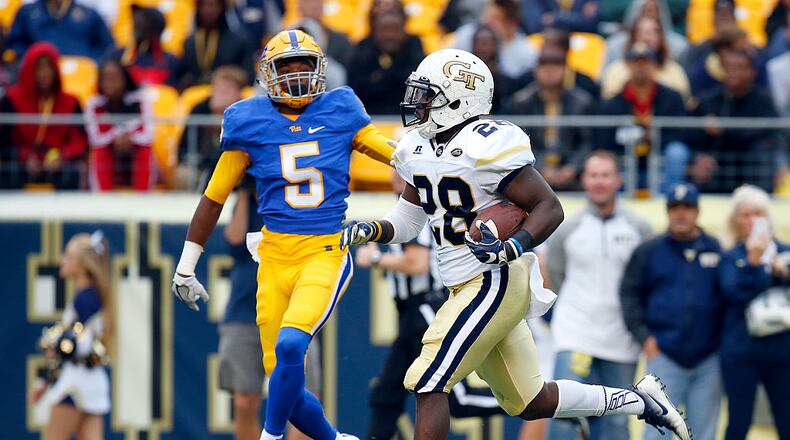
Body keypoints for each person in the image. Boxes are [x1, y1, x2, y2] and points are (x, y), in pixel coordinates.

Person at [341, 48, 691, 440]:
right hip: (464, 283)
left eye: (429, 95)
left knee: (427, 380)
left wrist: (514, 245)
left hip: (493, 279)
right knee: (530, 401)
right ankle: (641, 401)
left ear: (457, 99)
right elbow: (408, 220)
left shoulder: (487, 144)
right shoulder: (416, 149)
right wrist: (373, 229)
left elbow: (549, 206)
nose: (418, 104)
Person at [170, 30, 395, 440]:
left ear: (319, 69)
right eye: (285, 67)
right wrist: (185, 266)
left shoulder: (340, 107)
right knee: (285, 385)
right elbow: (213, 198)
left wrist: (441, 159)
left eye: (302, 66)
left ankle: (270, 436)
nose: (294, 76)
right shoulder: (248, 120)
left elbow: (391, 152)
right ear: (266, 74)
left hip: (325, 250)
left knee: (292, 348)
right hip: (272, 256)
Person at [361, 171, 503, 439]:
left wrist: (378, 257)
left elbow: (418, 263)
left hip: (426, 308)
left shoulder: (421, 214)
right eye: (393, 171)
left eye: (401, 172)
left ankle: (527, 403)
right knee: (385, 395)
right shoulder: (402, 212)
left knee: (457, 401)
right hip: (410, 314)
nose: (395, 177)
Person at [545, 150, 653, 440]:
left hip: (621, 339)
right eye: (593, 175)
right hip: (574, 333)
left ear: (618, 180)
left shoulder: (640, 229)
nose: (599, 182)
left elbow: (646, 281)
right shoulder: (566, 229)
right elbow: (555, 275)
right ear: (584, 180)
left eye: (606, 175)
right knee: (562, 412)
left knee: (617, 421)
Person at [620, 183, 724, 440]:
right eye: (674, 208)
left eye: (687, 207)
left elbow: (727, 297)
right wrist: (645, 338)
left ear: (697, 212)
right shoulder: (649, 251)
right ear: (667, 212)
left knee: (704, 433)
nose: (680, 214)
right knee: (658, 433)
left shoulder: (715, 248)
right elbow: (629, 294)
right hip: (664, 355)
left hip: (708, 359)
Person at [718, 184, 790, 440]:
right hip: (741, 352)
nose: (753, 221)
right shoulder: (730, 256)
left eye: (758, 213)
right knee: (739, 423)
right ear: (736, 221)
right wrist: (754, 264)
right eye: (746, 215)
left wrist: (783, 272)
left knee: (786, 421)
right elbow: (734, 293)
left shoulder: (784, 252)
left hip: (782, 350)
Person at [30, 231, 112, 440]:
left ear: (83, 264)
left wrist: (54, 344)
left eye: (68, 256)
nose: (61, 261)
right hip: (92, 381)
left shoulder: (85, 300)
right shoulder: (91, 296)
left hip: (75, 383)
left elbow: (75, 346)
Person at [691, 49, 787, 193]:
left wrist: (724, 129)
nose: (733, 72)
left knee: (761, 152)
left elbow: (773, 135)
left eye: (739, 67)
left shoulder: (763, 101)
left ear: (751, 72)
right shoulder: (708, 100)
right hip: (718, 167)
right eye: (728, 67)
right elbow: (688, 134)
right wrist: (697, 156)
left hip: (753, 167)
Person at [596, 43, 689, 192]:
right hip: (626, 162)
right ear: (628, 65)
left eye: (645, 62)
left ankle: (669, 197)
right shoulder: (613, 103)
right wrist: (633, 137)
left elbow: (681, 133)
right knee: (608, 160)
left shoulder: (672, 97)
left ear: (655, 65)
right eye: (636, 62)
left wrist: (656, 137)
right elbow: (606, 140)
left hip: (661, 160)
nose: (640, 67)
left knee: (677, 151)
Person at [1, 42, 87, 189]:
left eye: (49, 67)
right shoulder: (11, 100)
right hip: (21, 165)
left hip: (57, 166)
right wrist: (24, 157)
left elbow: (80, 141)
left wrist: (63, 155)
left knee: (71, 175)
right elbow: (3, 143)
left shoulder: (71, 101)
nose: (45, 73)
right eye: (39, 68)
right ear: (29, 70)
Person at [505, 48, 594, 191]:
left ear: (566, 70)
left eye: (556, 66)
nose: (550, 72)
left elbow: (587, 142)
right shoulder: (521, 102)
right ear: (535, 70)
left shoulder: (582, 101)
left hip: (573, 174)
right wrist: (540, 167)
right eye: (544, 66)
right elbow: (517, 143)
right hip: (531, 172)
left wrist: (572, 168)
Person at [84, 59, 154, 191]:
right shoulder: (94, 104)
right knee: (99, 152)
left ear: (125, 79)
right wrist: (115, 137)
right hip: (110, 155)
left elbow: (148, 136)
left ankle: (145, 198)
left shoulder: (140, 100)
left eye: (115, 78)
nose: (109, 83)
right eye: (105, 78)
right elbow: (95, 139)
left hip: (133, 153)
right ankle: (102, 198)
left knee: (145, 150)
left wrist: (129, 138)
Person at [176, 65, 247, 191]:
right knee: (183, 175)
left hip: (237, 165)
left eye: (225, 91)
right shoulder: (199, 109)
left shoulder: (246, 111)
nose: (218, 95)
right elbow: (183, 147)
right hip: (201, 164)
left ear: (238, 93)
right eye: (215, 89)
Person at [347, 9, 424, 114]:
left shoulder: (415, 46)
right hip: (370, 116)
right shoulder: (363, 48)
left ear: (404, 30)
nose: (390, 35)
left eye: (395, 29)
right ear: (374, 31)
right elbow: (357, 89)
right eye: (384, 29)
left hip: (408, 117)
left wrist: (379, 77)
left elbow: (417, 86)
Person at [600, 14, 691, 100]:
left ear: (661, 37)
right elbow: (608, 101)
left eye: (652, 32)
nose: (646, 38)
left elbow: (683, 103)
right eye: (641, 32)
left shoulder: (674, 71)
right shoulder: (616, 70)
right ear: (632, 37)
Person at [452, 0, 539, 78]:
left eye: (495, 18)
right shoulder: (467, 35)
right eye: (487, 15)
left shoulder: (526, 53)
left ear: (511, 24)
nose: (487, 21)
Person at [6, 0, 114, 63]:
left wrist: (91, 62)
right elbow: (15, 46)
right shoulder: (27, 13)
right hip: (39, 73)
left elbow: (107, 48)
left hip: (81, 74)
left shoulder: (89, 14)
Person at [178, 0, 255, 89]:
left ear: (222, 8)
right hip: (196, 95)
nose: (207, 10)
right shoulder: (189, 43)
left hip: (228, 94)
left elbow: (249, 77)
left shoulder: (240, 41)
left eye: (212, 5)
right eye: (203, 5)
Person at [105, 6, 180, 87]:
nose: (136, 23)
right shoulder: (117, 56)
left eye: (143, 21)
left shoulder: (170, 61)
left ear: (155, 31)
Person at [521, 0, 600, 34]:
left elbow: (591, 23)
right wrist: (578, 18)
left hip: (583, 44)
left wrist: (555, 18)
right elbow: (534, 26)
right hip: (546, 44)